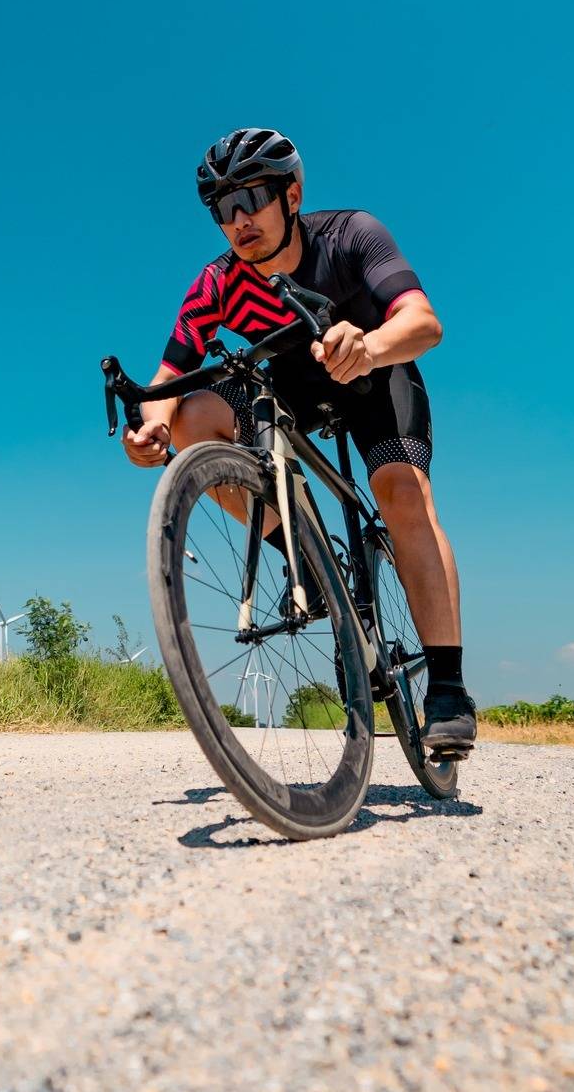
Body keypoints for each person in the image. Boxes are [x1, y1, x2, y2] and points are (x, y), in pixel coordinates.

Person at [120, 127, 476, 754]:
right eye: (222, 210)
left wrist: (367, 347)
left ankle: (447, 686)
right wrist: (148, 425)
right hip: (291, 389)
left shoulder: (351, 235)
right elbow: (170, 377)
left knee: (399, 492)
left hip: (375, 373)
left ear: (291, 194)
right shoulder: (218, 282)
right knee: (188, 419)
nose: (238, 221)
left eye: (250, 198)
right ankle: (308, 553)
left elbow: (425, 323)